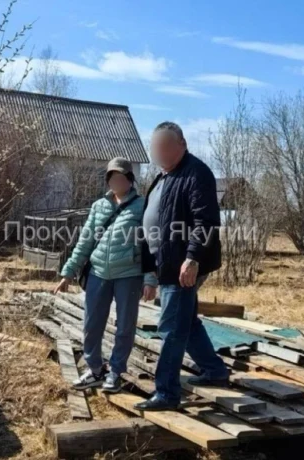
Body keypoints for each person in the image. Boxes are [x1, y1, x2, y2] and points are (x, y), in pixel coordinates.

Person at [134, 122, 227, 411]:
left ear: (181, 144)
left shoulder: (196, 173)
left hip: (183, 264)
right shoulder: (164, 176)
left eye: (164, 146)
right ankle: (215, 371)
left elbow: (207, 222)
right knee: (186, 321)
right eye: (155, 148)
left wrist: (193, 258)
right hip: (166, 263)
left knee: (172, 327)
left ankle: (167, 393)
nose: (158, 152)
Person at [54, 157, 157, 393]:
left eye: (121, 177)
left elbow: (151, 245)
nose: (116, 181)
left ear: (130, 179)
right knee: (91, 324)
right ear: (108, 179)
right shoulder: (99, 206)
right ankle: (95, 370)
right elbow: (85, 241)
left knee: (124, 327)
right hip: (98, 272)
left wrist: (151, 279)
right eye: (112, 177)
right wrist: (68, 272)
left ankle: (116, 372)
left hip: (129, 274)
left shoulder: (143, 206)